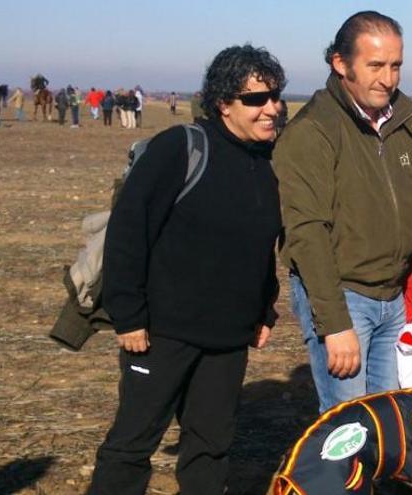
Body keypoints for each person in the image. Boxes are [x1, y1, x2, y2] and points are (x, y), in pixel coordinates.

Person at [87, 44, 286, 495]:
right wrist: (129, 315)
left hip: (229, 338)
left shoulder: (265, 163)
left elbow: (258, 247)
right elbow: (129, 231)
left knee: (212, 445)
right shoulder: (180, 148)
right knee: (132, 444)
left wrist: (263, 311)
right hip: (162, 333)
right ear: (223, 104)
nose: (271, 108)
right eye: (256, 99)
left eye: (275, 96)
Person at [273, 10, 412, 413]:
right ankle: (337, 479)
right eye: (375, 66)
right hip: (344, 295)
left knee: (389, 418)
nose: (387, 79)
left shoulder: (406, 122)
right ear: (340, 63)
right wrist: (335, 324)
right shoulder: (313, 132)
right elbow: (307, 233)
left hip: (394, 298)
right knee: (348, 424)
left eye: (395, 66)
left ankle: (376, 480)